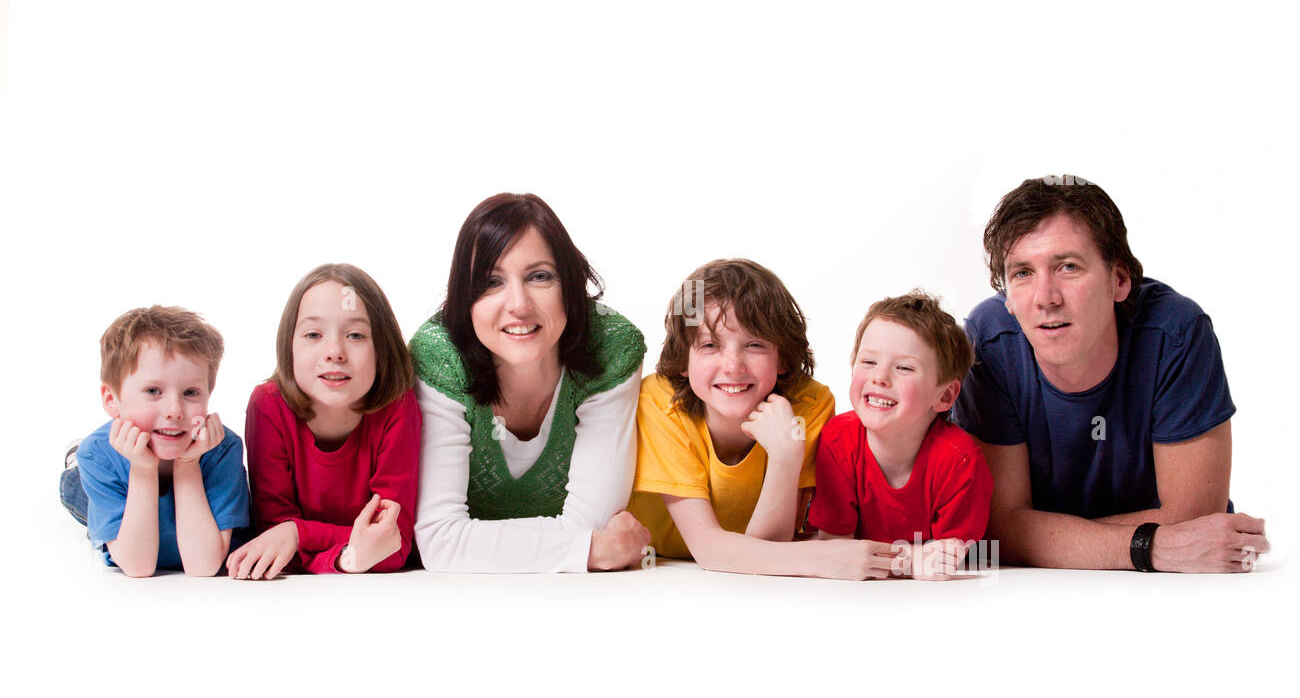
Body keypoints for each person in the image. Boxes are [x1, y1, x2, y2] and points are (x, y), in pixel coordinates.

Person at [952, 175, 1268, 572]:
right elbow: (998, 529)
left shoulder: (1175, 332)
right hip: (1037, 593)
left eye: (1068, 267)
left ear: (1119, 280)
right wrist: (1152, 545)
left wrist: (1044, 537)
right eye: (1022, 273)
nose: (1045, 298)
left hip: (1177, 592)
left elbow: (1195, 519)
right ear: (1008, 299)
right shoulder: (991, 341)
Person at [411, 194, 650, 573]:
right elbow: (440, 543)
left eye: (539, 276)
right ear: (464, 296)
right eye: (491, 282)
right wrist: (589, 550)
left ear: (569, 284)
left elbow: (591, 525)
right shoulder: (441, 353)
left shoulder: (610, 346)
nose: (519, 305)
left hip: (579, 603)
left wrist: (476, 546)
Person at [628, 259, 899, 580]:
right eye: (710, 345)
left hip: (747, 575)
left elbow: (770, 548)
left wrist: (785, 457)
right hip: (660, 572)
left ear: (783, 357)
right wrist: (823, 559)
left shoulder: (809, 403)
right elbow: (710, 549)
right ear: (683, 360)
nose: (732, 366)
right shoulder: (660, 400)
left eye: (754, 344)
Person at [226, 264, 420, 578]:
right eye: (313, 334)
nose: (334, 352)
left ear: (381, 349)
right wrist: (349, 556)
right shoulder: (268, 406)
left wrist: (298, 535)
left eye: (355, 335)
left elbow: (393, 543)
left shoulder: (397, 406)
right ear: (289, 345)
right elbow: (273, 543)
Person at [807, 291, 992, 580]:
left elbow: (947, 561)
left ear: (944, 395)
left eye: (904, 367)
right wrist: (910, 560)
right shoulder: (838, 439)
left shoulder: (960, 461)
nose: (879, 377)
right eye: (868, 362)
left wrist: (917, 560)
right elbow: (836, 548)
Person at [62, 306, 249, 577]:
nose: (174, 410)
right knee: (77, 492)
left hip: (180, 512)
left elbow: (203, 566)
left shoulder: (222, 448)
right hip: (112, 491)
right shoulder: (97, 455)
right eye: (153, 391)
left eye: (191, 392)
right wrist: (142, 469)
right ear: (111, 400)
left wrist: (188, 463)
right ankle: (73, 463)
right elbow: (137, 567)